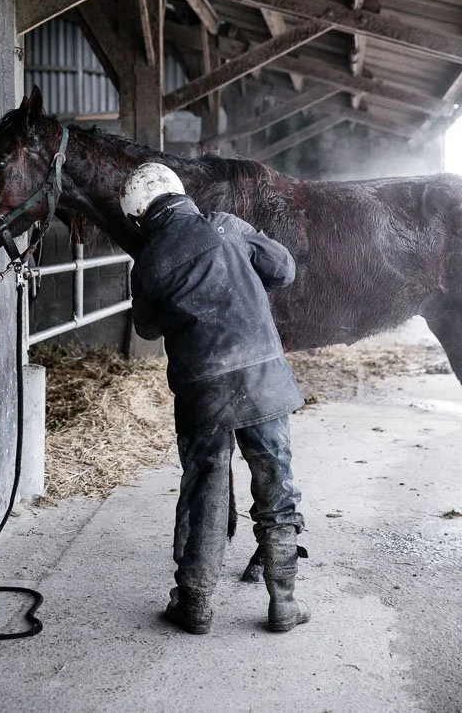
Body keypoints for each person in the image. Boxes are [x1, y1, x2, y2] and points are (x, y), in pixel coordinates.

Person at [119, 161, 310, 636]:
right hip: (263, 380)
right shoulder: (227, 226)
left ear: (139, 216)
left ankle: (196, 605)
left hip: (202, 393)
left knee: (203, 490)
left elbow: (146, 327)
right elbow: (283, 269)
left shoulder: (149, 265)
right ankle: (284, 601)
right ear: (180, 194)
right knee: (275, 483)